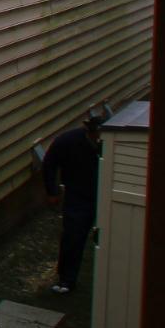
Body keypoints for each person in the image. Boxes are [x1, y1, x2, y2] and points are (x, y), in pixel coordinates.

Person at [41, 108, 105, 294]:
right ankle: (66, 280)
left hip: (105, 193)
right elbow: (49, 164)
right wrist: (52, 191)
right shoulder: (68, 141)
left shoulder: (111, 143)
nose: (99, 141)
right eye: (96, 137)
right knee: (73, 236)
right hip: (78, 195)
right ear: (89, 133)